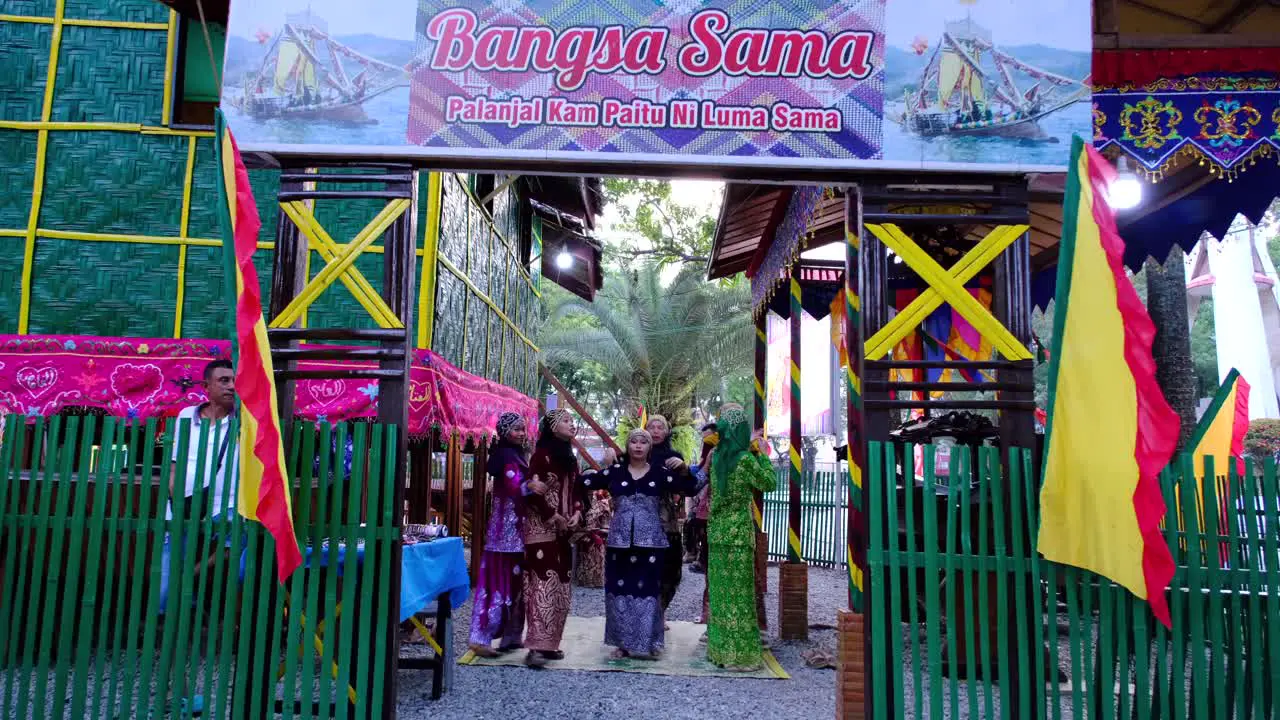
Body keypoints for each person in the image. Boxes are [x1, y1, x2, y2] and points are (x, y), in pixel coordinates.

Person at [583, 428, 699, 660]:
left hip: (651, 544)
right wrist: (602, 464)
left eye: (643, 442)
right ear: (627, 446)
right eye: (633, 441)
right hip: (619, 543)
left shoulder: (659, 473)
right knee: (620, 591)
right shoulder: (615, 472)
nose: (638, 446)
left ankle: (649, 641)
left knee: (647, 592)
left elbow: (690, 488)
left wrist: (686, 470)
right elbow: (585, 481)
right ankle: (623, 643)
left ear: (649, 448)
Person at [706, 405, 776, 671]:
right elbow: (768, 483)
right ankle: (741, 657)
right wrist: (764, 454)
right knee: (741, 596)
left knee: (721, 596)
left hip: (716, 533)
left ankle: (721, 652)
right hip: (737, 536)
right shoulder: (745, 460)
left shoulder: (718, 457)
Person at [521, 409, 583, 668]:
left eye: (572, 420)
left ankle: (550, 644)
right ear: (552, 426)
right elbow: (533, 493)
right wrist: (553, 515)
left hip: (563, 530)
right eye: (566, 420)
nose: (571, 424)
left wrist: (578, 512)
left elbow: (579, 488)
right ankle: (535, 647)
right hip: (541, 530)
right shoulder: (541, 456)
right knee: (542, 586)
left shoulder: (570, 457)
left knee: (561, 588)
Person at [468, 412, 529, 658]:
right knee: (495, 584)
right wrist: (534, 486)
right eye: (516, 429)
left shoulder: (515, 454)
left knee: (515, 584)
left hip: (517, 530)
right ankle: (479, 638)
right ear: (504, 432)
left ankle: (511, 636)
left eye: (523, 429)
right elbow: (516, 489)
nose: (521, 433)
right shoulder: (505, 455)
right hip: (504, 532)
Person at [645, 415, 690, 619]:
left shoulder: (674, 456)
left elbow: (689, 488)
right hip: (643, 521)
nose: (655, 431)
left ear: (666, 432)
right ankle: (646, 615)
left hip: (668, 522)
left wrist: (683, 469)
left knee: (670, 569)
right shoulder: (636, 454)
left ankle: (660, 611)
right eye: (651, 427)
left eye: (660, 427)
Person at [574, 489, 610, 588]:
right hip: (581, 532)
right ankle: (586, 580)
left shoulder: (602, 501)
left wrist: (598, 534)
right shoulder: (579, 499)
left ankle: (596, 581)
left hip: (597, 533)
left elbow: (605, 522)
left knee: (598, 549)